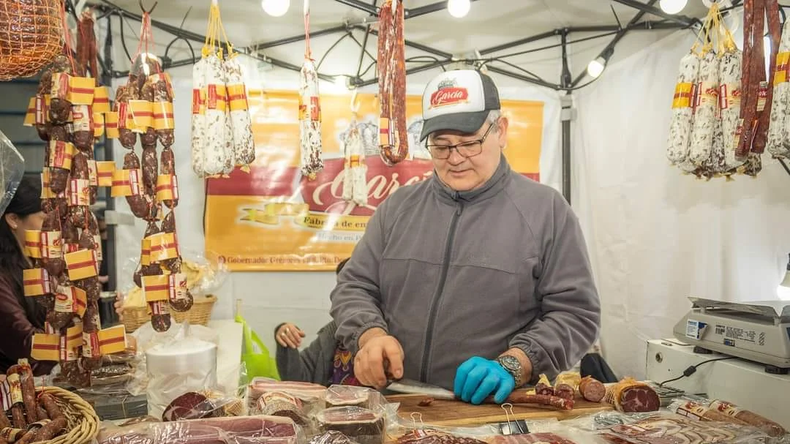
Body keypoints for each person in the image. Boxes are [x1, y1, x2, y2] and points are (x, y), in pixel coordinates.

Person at [330, 70, 601, 405]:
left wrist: (516, 362)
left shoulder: (547, 211)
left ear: (500, 131)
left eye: (469, 142)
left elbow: (576, 314)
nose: (455, 158)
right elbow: (354, 285)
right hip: (398, 404)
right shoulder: (398, 207)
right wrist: (369, 334)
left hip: (495, 410)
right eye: (441, 146)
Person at [0, 176, 55, 376]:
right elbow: (25, 342)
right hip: (17, 388)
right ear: (13, 219)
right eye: (44, 218)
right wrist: (73, 347)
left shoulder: (38, 262)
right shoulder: (3, 274)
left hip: (49, 376)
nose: (52, 227)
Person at [275, 258, 360, 386]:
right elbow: (297, 381)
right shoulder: (331, 334)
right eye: (342, 289)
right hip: (331, 406)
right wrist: (286, 337)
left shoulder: (391, 334)